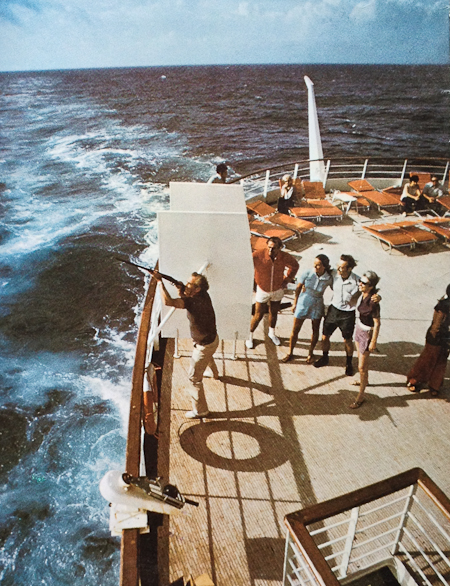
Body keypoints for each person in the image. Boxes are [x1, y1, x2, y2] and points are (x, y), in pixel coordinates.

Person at [154, 271, 219, 418]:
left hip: (203, 346)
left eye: (189, 284)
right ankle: (215, 374)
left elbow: (168, 302)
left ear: (197, 289)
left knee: (194, 379)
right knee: (208, 356)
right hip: (213, 340)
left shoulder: (192, 302)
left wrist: (159, 282)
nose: (186, 285)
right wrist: (180, 289)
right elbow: (186, 299)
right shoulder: (204, 295)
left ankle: (200, 410)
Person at [314, 255, 380, 376]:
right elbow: (320, 270)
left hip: (347, 314)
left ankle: (349, 363)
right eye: (338, 266)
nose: (338, 269)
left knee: (347, 340)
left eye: (342, 267)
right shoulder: (334, 274)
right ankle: (325, 357)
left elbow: (370, 290)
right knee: (325, 336)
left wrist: (377, 297)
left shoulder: (358, 281)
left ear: (349, 269)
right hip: (333, 310)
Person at [246, 237, 299, 349]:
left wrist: (287, 279)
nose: (270, 250)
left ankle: (272, 333)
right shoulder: (258, 255)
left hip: (277, 289)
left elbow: (295, 266)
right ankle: (249, 335)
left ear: (280, 248)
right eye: (269, 247)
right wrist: (253, 280)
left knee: (274, 312)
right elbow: (245, 264)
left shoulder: (284, 256)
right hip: (262, 290)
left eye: (274, 248)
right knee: (258, 314)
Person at [281, 254, 333, 363]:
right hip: (303, 302)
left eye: (318, 265)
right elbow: (298, 288)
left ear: (324, 266)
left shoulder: (328, 278)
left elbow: (336, 289)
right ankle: (290, 352)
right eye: (314, 264)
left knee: (315, 330)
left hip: (317, 304)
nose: (315, 267)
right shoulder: (307, 273)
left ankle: (310, 353)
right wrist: (295, 303)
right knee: (295, 329)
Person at [406, 284, 450, 397]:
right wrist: (436, 339)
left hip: (446, 338)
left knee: (441, 362)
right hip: (436, 338)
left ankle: (435, 385)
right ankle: (414, 380)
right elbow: (437, 325)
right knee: (427, 360)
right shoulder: (443, 306)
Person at [349, 271, 381, 409]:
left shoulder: (373, 302)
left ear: (371, 286)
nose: (360, 284)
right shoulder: (363, 294)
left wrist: (373, 341)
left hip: (367, 333)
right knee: (361, 363)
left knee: (362, 367)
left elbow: (377, 323)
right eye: (360, 281)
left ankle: (361, 396)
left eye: (364, 283)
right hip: (359, 328)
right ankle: (364, 381)